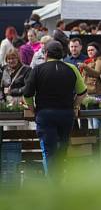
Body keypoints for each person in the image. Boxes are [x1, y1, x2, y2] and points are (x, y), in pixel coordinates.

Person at [22, 41, 87, 175]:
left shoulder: (38, 70)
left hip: (45, 114)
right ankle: (58, 181)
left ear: (46, 54)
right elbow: (82, 92)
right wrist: (75, 105)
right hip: (66, 114)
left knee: (49, 151)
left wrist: (32, 108)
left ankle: (53, 186)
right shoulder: (72, 68)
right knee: (62, 149)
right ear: (62, 54)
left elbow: (27, 93)